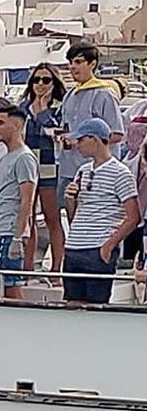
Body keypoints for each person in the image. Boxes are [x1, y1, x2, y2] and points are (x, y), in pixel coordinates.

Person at [61, 118, 140, 306]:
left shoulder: (121, 173)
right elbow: (74, 215)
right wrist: (70, 199)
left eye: (81, 140)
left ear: (95, 139)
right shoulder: (82, 171)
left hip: (97, 248)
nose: (77, 145)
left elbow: (133, 216)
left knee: (96, 307)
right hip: (74, 246)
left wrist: (108, 245)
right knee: (72, 305)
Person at [0, 99, 39, 298]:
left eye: (0, 123)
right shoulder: (6, 157)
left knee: (11, 287)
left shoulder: (24, 157)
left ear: (16, 126)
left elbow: (27, 199)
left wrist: (18, 236)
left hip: (9, 230)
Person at [57, 42, 125, 206]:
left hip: (96, 173)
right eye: (70, 62)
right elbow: (66, 127)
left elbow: (117, 134)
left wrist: (83, 140)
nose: (73, 67)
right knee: (66, 215)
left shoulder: (104, 94)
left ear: (92, 64)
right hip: (68, 169)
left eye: (78, 62)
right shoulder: (69, 95)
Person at [21, 65, 66, 271]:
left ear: (53, 83)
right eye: (36, 80)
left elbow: (58, 134)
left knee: (52, 217)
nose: (40, 84)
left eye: (45, 80)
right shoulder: (22, 108)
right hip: (28, 166)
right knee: (27, 217)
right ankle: (28, 267)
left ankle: (57, 269)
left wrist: (43, 111)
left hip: (50, 166)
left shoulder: (60, 107)